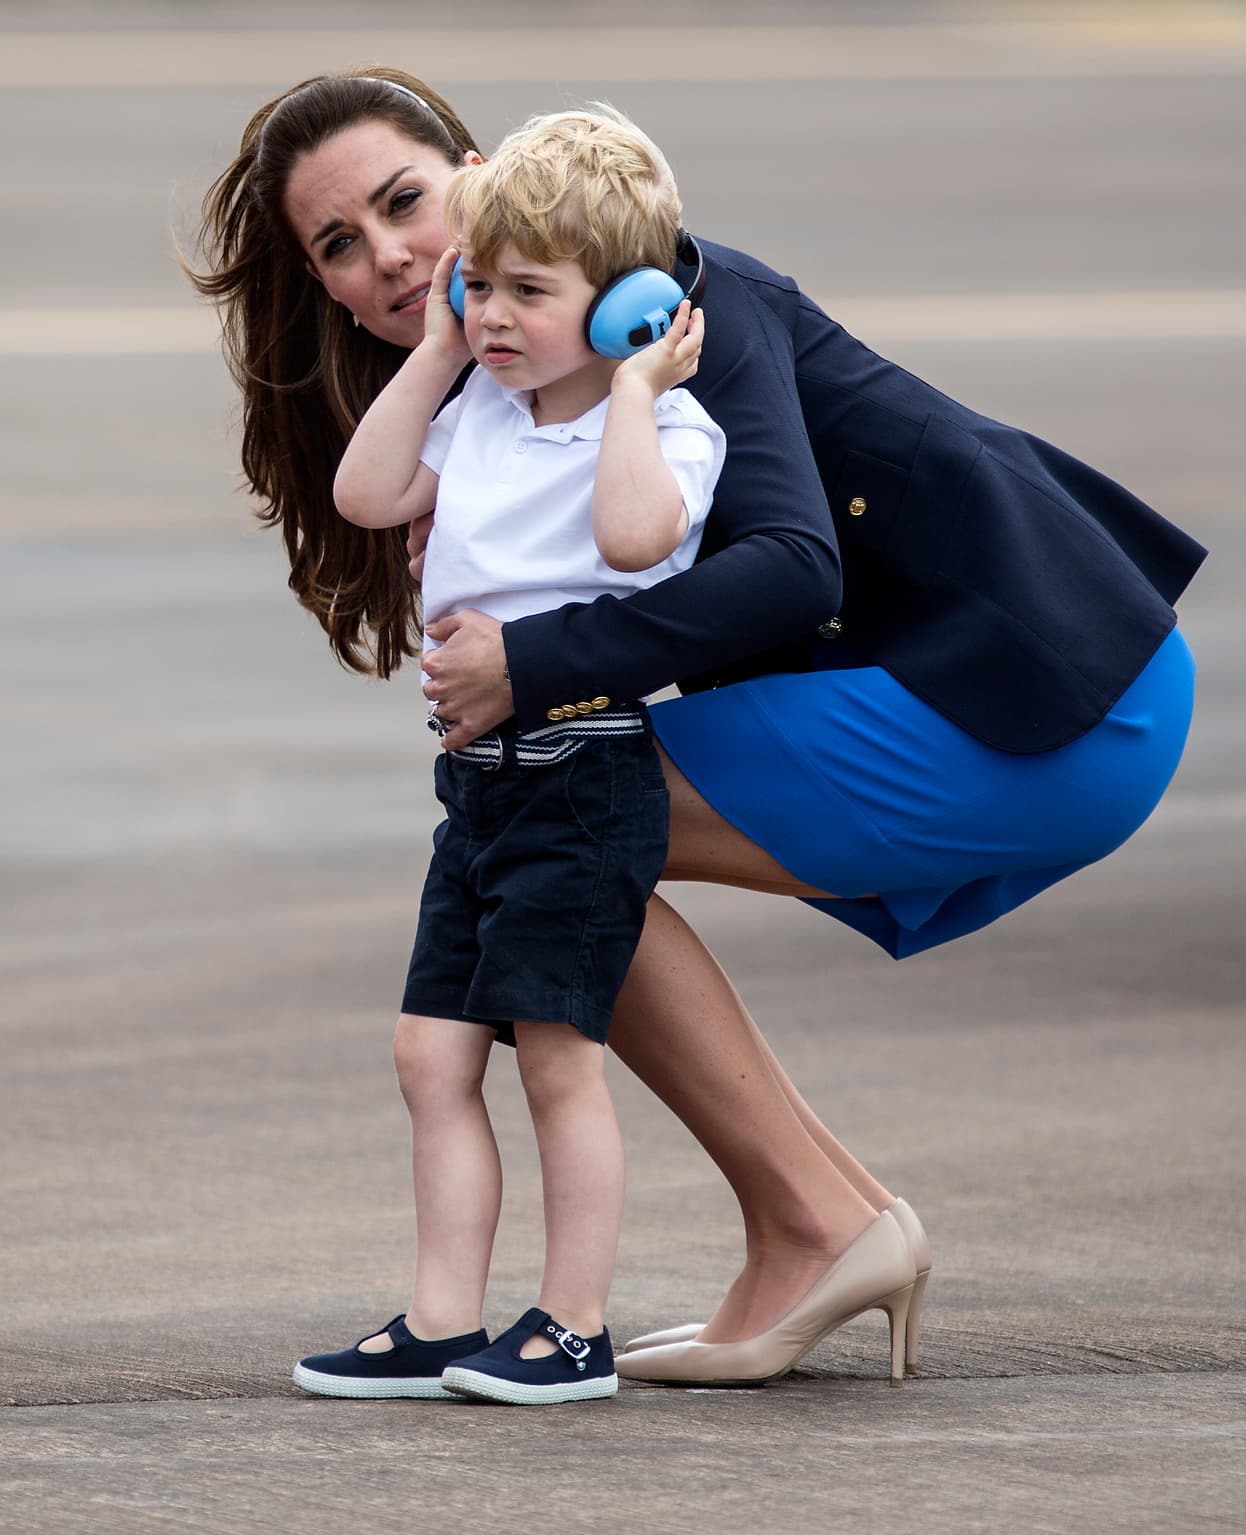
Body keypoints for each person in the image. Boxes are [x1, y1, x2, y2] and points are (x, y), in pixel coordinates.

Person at [187, 68, 1205, 1391]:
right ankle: (827, 1217)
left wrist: (538, 665)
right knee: (553, 828)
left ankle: (816, 1221)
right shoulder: (502, 381)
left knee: (564, 826)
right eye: (340, 244)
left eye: (404, 202)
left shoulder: (674, 318)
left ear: (482, 175)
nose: (388, 257)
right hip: (1016, 688)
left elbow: (793, 568)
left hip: (1062, 696)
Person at [316, 107, 725, 1405]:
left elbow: (626, 540)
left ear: (625, 303)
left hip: (582, 770)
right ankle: (445, 1317)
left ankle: (573, 1322)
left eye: (526, 292)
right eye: (477, 282)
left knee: (555, 1052)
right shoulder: (477, 407)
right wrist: (442, 342)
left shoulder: (668, 430)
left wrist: (633, 389)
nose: (490, 313)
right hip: (481, 786)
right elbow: (366, 494)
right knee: (429, 1054)